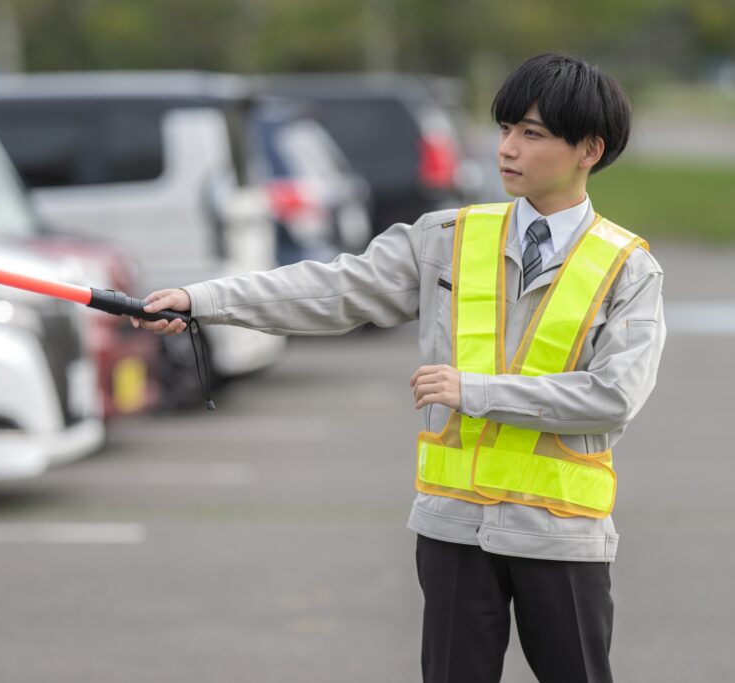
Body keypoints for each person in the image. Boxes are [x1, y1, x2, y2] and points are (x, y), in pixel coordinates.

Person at [133, 52, 666, 683]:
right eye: (504, 129)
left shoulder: (628, 268)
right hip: (453, 529)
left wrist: (476, 391)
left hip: (562, 534)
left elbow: (614, 397)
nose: (507, 148)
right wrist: (202, 300)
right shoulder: (446, 237)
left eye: (531, 133)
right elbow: (333, 289)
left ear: (589, 150)